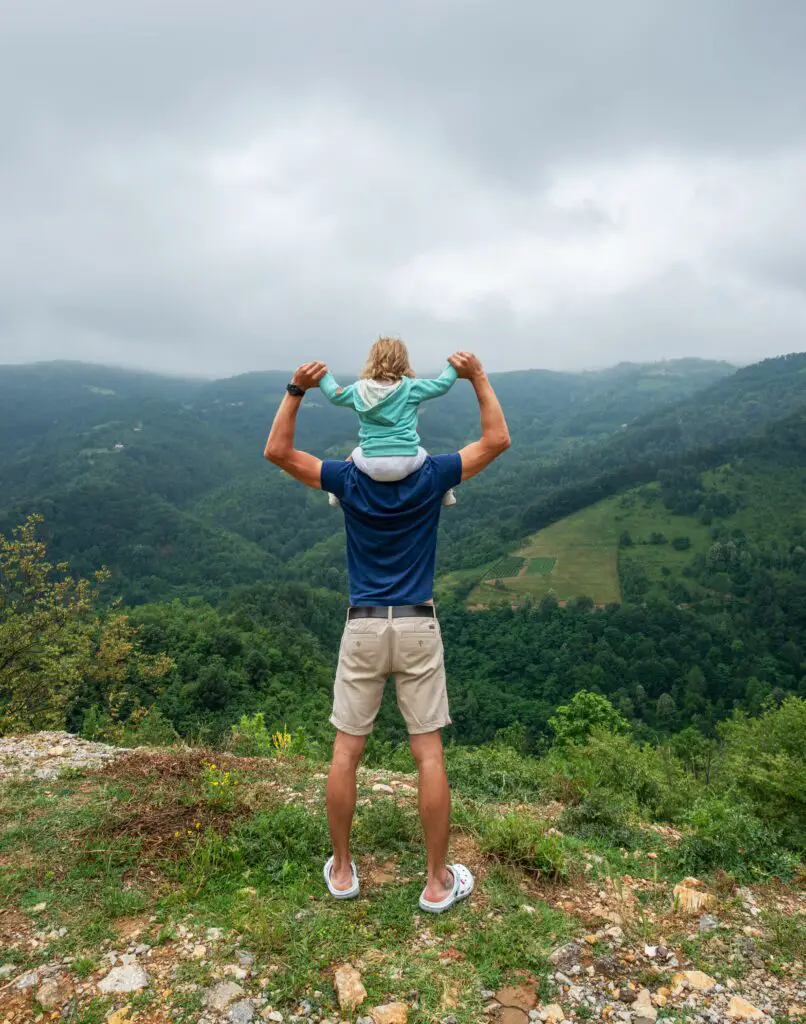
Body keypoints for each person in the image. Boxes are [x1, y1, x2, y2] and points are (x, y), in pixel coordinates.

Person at [263, 351, 510, 913]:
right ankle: (435, 883)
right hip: (419, 624)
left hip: (364, 627)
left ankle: (345, 872)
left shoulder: (347, 478)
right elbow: (496, 439)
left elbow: (276, 451)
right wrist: (477, 377)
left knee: (346, 753)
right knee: (428, 754)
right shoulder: (433, 473)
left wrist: (296, 390)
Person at [319, 336, 458, 508]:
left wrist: (323, 375)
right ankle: (447, 492)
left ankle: (335, 492)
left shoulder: (359, 390)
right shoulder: (411, 387)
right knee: (426, 456)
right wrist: (454, 366)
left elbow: (335, 394)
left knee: (354, 454)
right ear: (403, 360)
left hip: (370, 462)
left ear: (372, 360)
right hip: (408, 460)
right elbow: (441, 385)